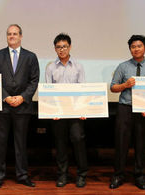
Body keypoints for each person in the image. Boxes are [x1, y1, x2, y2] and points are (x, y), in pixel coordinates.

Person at [0, 24, 39, 188]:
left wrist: (23, 97)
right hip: (2, 106)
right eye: (9, 34)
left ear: (21, 36)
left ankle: (22, 175)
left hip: (22, 107)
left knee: (21, 143)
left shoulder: (31, 56)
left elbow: (34, 81)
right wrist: (6, 97)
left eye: (15, 34)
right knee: (0, 142)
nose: (12, 36)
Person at [109, 35, 145, 190]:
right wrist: (125, 84)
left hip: (143, 111)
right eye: (133, 46)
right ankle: (118, 175)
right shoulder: (123, 67)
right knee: (121, 144)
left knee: (141, 144)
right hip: (125, 108)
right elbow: (113, 87)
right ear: (130, 49)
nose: (136, 49)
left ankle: (139, 175)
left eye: (139, 46)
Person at [45, 33, 88, 188]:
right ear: (55, 49)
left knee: (78, 139)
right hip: (57, 113)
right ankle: (62, 174)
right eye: (58, 47)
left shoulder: (78, 66)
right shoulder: (50, 67)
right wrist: (52, 111)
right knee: (60, 143)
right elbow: (48, 92)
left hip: (75, 111)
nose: (61, 49)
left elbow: (83, 90)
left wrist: (83, 110)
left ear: (69, 47)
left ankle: (82, 174)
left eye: (64, 46)